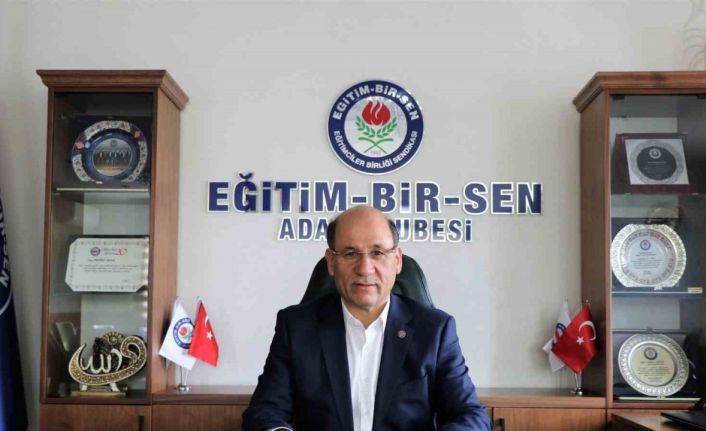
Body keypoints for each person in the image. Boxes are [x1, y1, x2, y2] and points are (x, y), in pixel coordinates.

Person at [242, 206, 491, 431]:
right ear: (331, 262)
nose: (364, 268)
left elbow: (471, 416)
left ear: (397, 260)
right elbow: (265, 412)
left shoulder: (434, 330)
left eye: (377, 253)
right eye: (350, 253)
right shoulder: (297, 328)